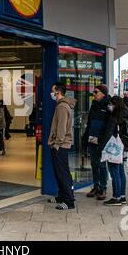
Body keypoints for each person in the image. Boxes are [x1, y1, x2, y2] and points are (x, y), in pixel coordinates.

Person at [47, 82, 77, 210]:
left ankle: (69, 201)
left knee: (63, 173)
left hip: (60, 145)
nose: (51, 93)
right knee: (60, 173)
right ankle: (62, 196)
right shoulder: (61, 105)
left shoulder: (62, 107)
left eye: (52, 91)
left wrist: (56, 144)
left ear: (58, 92)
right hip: (61, 144)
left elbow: (61, 129)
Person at [82, 84, 110, 200]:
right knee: (94, 164)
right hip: (92, 138)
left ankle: (103, 188)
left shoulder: (109, 106)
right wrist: (85, 137)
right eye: (93, 92)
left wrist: (103, 140)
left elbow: (109, 125)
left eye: (96, 92)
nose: (93, 94)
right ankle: (96, 186)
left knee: (102, 165)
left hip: (102, 140)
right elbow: (89, 123)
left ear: (103, 94)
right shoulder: (93, 105)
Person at [99, 96, 128, 206]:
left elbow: (108, 134)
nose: (109, 106)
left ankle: (116, 197)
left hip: (114, 147)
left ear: (115, 105)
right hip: (122, 146)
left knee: (114, 171)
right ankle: (122, 196)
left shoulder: (114, 117)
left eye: (111, 104)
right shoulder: (126, 113)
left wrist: (101, 147)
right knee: (121, 171)